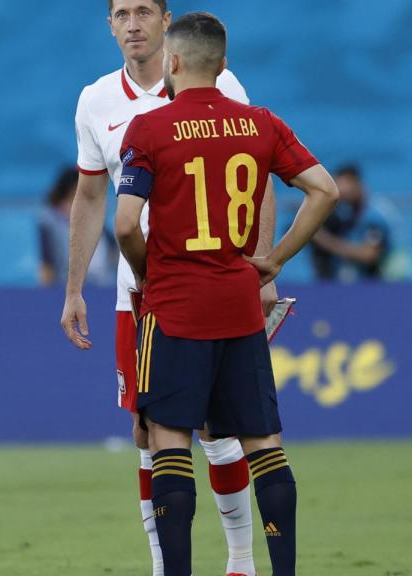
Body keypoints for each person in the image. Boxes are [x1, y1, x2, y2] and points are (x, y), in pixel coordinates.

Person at [114, 12, 338, 575]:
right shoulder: (260, 123)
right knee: (264, 442)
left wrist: (148, 275)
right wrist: (276, 259)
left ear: (173, 60)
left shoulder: (149, 128)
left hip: (176, 306)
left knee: (168, 440)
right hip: (240, 305)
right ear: (223, 64)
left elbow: (123, 225)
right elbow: (323, 190)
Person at [60, 1, 274, 573]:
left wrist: (261, 266)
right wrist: (75, 286)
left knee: (219, 429)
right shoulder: (94, 100)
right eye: (121, 13)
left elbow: (261, 171)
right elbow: (89, 196)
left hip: (212, 285)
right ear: (109, 25)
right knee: (148, 432)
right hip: (138, 295)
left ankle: (240, 561)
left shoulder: (218, 81)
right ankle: (164, 566)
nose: (132, 23)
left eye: (143, 11)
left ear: (165, 20)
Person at [310, 164, 392, 281]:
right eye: (337, 184)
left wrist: (321, 237)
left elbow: (368, 255)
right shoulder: (346, 212)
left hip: (379, 284)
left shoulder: (374, 216)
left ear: (357, 184)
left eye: (344, 184)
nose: (340, 190)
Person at [38, 167, 116, 287]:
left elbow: (114, 252)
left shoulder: (97, 216)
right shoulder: (50, 222)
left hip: (102, 286)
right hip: (66, 287)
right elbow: (46, 266)